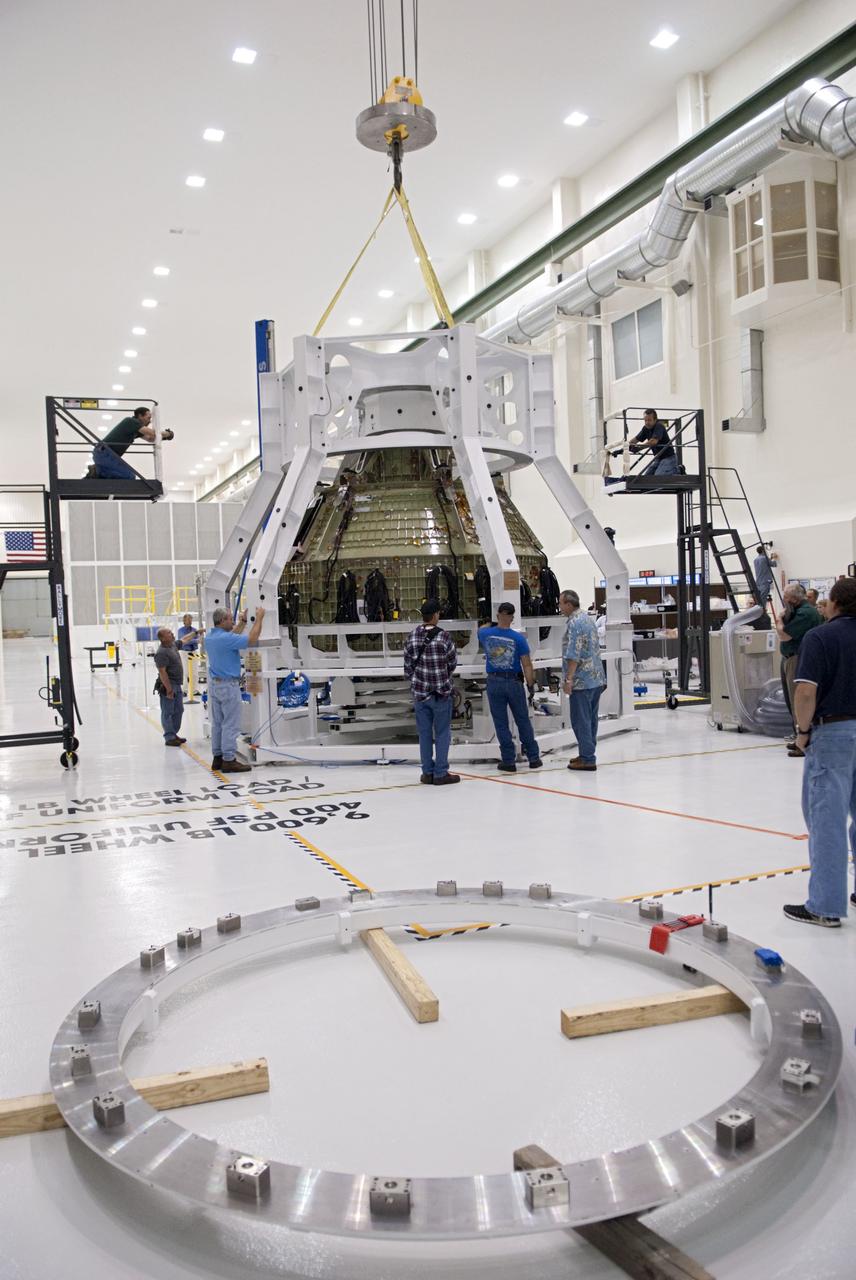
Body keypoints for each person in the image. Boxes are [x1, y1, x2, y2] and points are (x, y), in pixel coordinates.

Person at [783, 577, 856, 927]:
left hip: (834, 733)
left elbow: (806, 692)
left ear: (835, 603)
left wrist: (802, 732)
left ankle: (825, 905)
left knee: (827, 820)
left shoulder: (821, 637)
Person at [478, 602, 542, 773]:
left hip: (494, 682)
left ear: (498, 615)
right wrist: (530, 685)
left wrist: (490, 622)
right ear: (512, 618)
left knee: (501, 723)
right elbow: (527, 665)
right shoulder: (519, 639)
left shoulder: (486, 634)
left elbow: (480, 628)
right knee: (522, 720)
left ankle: (508, 760)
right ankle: (534, 757)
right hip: (514, 683)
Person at [403, 599, 460, 785]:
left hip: (420, 695)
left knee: (424, 734)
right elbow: (452, 663)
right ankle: (441, 773)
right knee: (443, 733)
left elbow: (407, 668)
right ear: (436, 615)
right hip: (441, 694)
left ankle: (427, 772)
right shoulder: (444, 637)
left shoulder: (411, 636)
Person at [205, 605, 265, 773]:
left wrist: (243, 621)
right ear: (223, 620)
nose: (233, 620)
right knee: (231, 724)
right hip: (228, 686)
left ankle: (217, 758)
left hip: (215, 685)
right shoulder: (224, 639)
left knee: (217, 724)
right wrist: (259, 618)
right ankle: (229, 760)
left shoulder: (211, 637)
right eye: (231, 618)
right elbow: (252, 639)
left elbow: (231, 636)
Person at [560, 589, 606, 771]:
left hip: (582, 681)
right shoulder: (587, 619)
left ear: (569, 604)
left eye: (561, 603)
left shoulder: (575, 623)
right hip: (595, 678)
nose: (559, 606)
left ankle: (587, 758)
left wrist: (569, 679)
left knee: (581, 721)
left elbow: (573, 654)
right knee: (591, 720)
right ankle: (587, 753)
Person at [777, 583, 822, 756]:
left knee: (798, 699)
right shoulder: (798, 611)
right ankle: (799, 737)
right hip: (790, 658)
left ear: (794, 598)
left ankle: (803, 740)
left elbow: (784, 635)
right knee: (791, 698)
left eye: (786, 597)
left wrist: (780, 621)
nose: (785, 600)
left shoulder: (805, 613)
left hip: (797, 658)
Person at [90, 406, 173, 479]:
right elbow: (152, 433)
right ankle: (97, 471)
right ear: (140, 416)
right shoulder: (131, 421)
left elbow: (150, 438)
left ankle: (97, 472)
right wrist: (168, 434)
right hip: (104, 453)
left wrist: (164, 437)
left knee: (128, 475)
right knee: (129, 476)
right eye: (148, 418)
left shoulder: (135, 429)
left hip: (107, 455)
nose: (150, 421)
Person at [153, 627, 186, 747]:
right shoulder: (161, 653)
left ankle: (173, 733)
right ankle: (169, 737)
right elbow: (162, 672)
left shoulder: (173, 645)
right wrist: (168, 689)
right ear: (162, 638)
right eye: (169, 633)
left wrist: (196, 633)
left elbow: (184, 640)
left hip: (177, 684)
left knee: (179, 710)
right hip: (169, 685)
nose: (172, 634)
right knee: (167, 712)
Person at [629, 409, 678, 477]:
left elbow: (653, 441)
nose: (647, 422)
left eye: (649, 420)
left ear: (655, 420)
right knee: (646, 478)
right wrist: (624, 448)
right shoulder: (645, 428)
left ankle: (678, 470)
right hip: (658, 458)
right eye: (645, 420)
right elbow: (635, 440)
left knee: (658, 477)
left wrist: (638, 448)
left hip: (669, 458)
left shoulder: (659, 425)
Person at [177, 613, 203, 692]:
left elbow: (199, 640)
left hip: (194, 652)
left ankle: (195, 690)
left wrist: (195, 640)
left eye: (191, 619)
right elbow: (184, 641)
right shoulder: (181, 630)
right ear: (184, 621)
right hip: (184, 653)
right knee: (185, 672)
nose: (190, 621)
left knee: (195, 672)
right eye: (188, 619)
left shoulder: (194, 630)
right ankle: (184, 690)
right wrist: (195, 640)